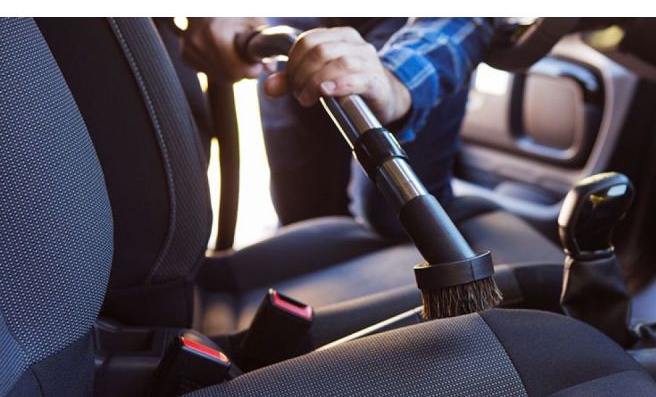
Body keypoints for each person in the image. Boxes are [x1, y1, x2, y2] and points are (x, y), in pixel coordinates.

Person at [182, 17, 496, 239]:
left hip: (407, 25)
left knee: (394, 218)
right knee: (304, 221)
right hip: (295, 23)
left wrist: (395, 82)